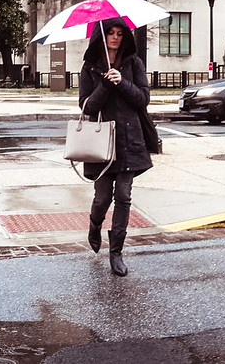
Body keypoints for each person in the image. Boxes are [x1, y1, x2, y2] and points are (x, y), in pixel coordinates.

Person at [78, 17, 152, 277]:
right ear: (102, 36)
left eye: (120, 33)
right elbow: (87, 107)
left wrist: (123, 82)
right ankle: (94, 224)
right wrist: (105, 86)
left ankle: (116, 252)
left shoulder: (134, 63)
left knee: (123, 196)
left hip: (130, 140)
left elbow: (143, 99)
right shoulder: (89, 68)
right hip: (102, 144)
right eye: (111, 32)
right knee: (102, 198)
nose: (116, 37)